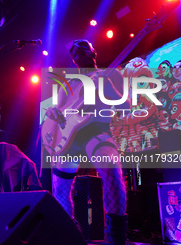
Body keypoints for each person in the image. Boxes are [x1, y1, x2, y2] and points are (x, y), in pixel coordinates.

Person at [45, 40, 129, 245]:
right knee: (60, 190)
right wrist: (52, 112)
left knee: (111, 170)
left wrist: (108, 89)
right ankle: (71, 238)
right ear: (73, 59)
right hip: (67, 138)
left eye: (84, 46)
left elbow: (126, 106)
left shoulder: (111, 74)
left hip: (96, 130)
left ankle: (116, 239)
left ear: (94, 52)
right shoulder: (70, 82)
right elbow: (56, 110)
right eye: (74, 49)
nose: (78, 48)